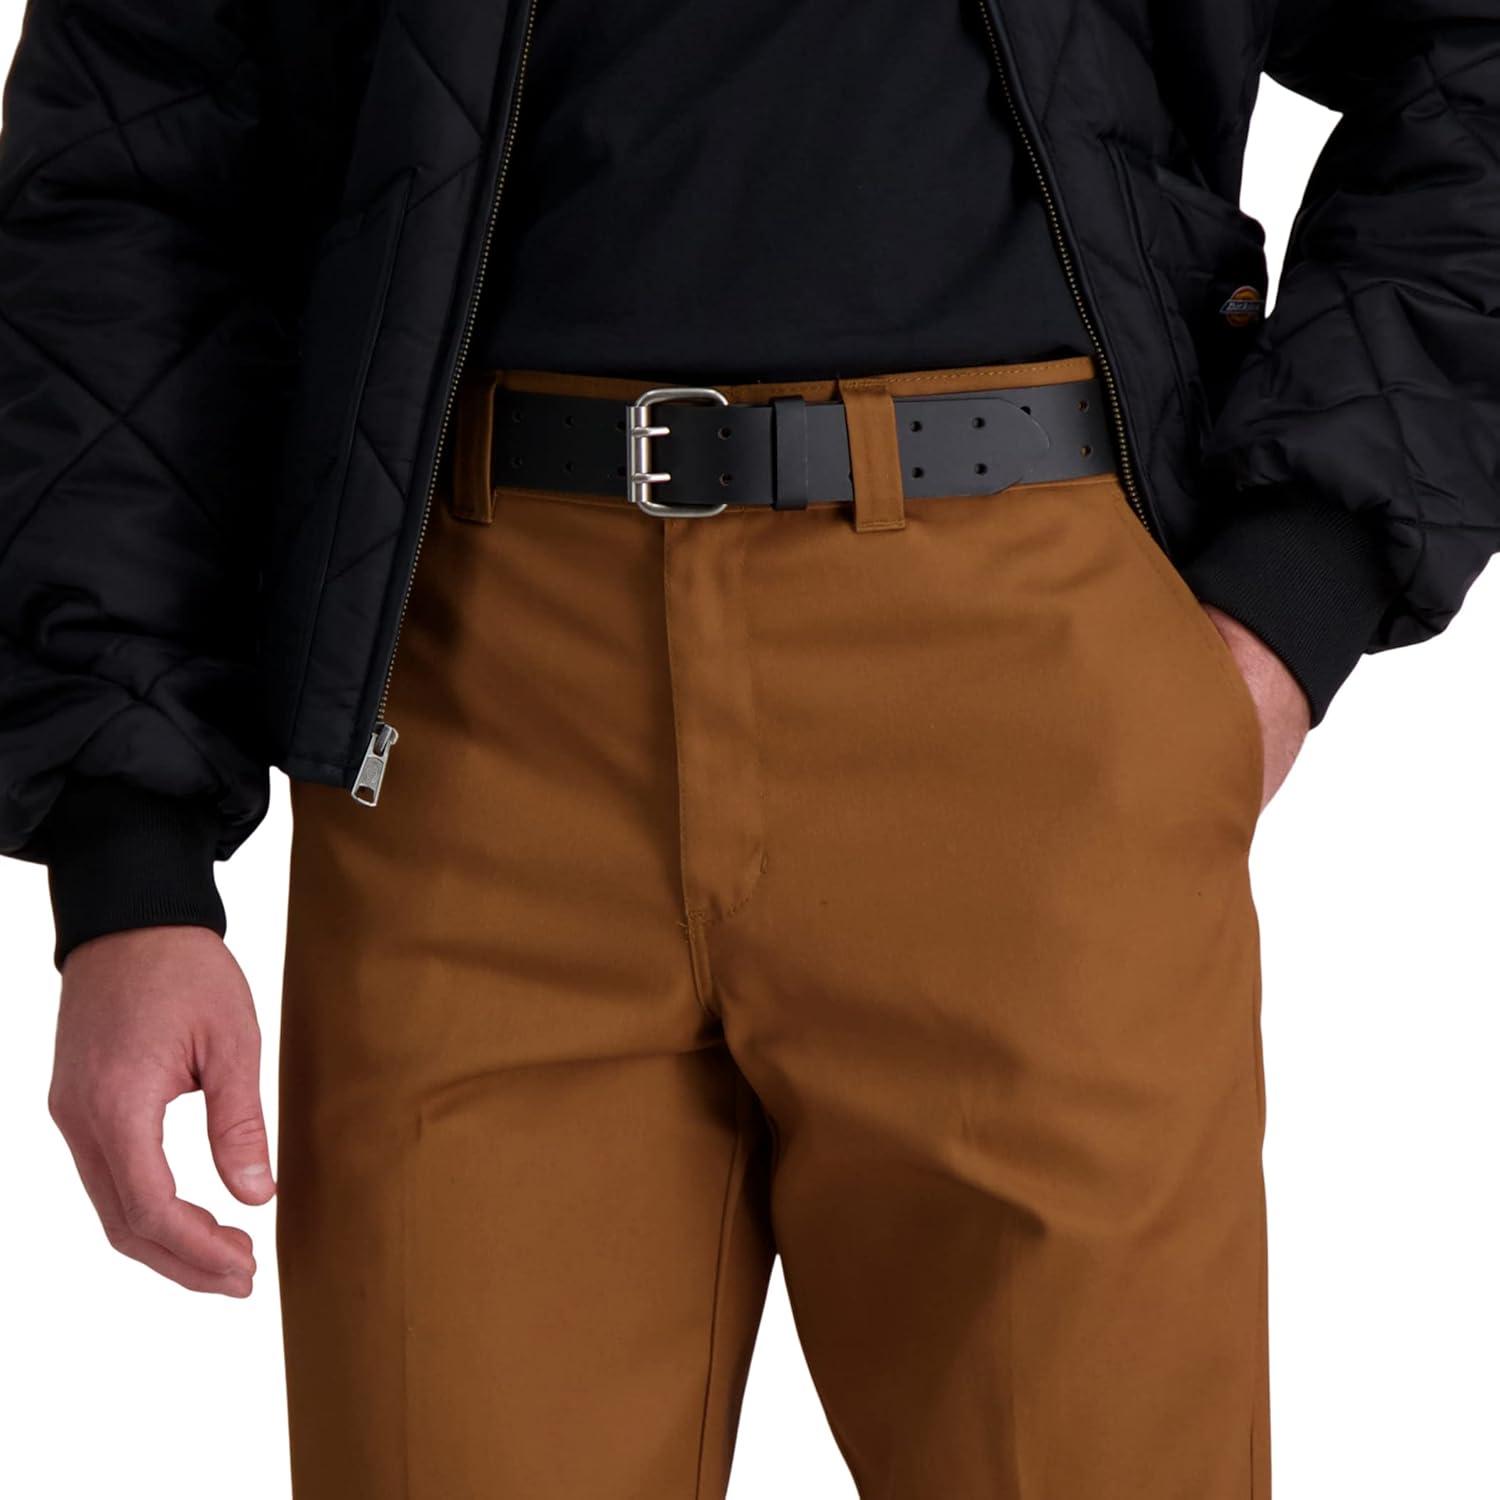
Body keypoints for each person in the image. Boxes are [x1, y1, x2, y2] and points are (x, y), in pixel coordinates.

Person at [1, 1, 1494, 1495]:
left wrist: (1300, 589)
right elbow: (137, 144)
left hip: (1031, 686)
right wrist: (126, 855)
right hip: (471, 714)